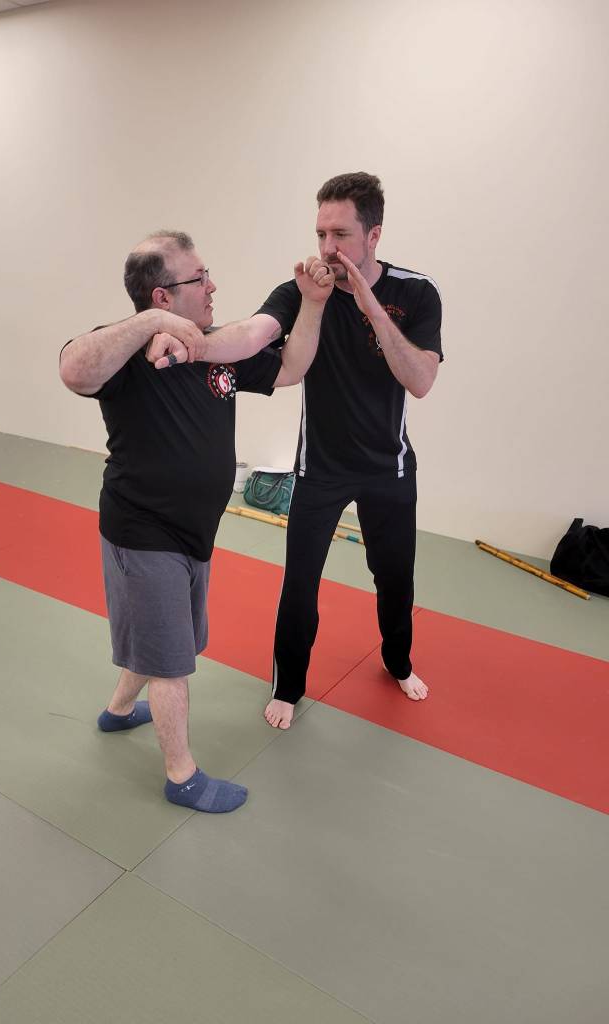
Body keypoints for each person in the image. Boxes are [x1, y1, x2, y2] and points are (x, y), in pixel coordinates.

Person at [59, 230, 333, 810]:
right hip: (143, 530)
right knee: (171, 662)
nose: (212, 286)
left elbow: (291, 367)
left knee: (165, 638)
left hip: (194, 534)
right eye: (199, 278)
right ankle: (181, 776)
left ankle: (117, 711)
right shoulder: (127, 353)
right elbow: (73, 370)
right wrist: (150, 325)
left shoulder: (216, 349)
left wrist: (311, 304)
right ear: (162, 295)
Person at [179, 173, 443, 729]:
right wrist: (194, 344)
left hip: (389, 467)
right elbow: (253, 334)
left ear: (373, 235)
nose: (327, 247)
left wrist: (369, 305)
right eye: (321, 233)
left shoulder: (416, 293)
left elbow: (420, 380)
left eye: (340, 234)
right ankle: (288, 686)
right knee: (299, 582)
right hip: (320, 467)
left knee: (395, 578)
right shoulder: (302, 291)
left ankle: (398, 662)